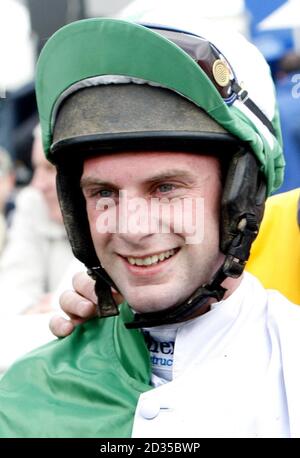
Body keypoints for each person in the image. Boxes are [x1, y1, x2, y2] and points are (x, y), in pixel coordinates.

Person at [0, 13, 299, 438]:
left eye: (165, 188)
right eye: (103, 192)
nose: (132, 228)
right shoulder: (26, 394)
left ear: (242, 196)